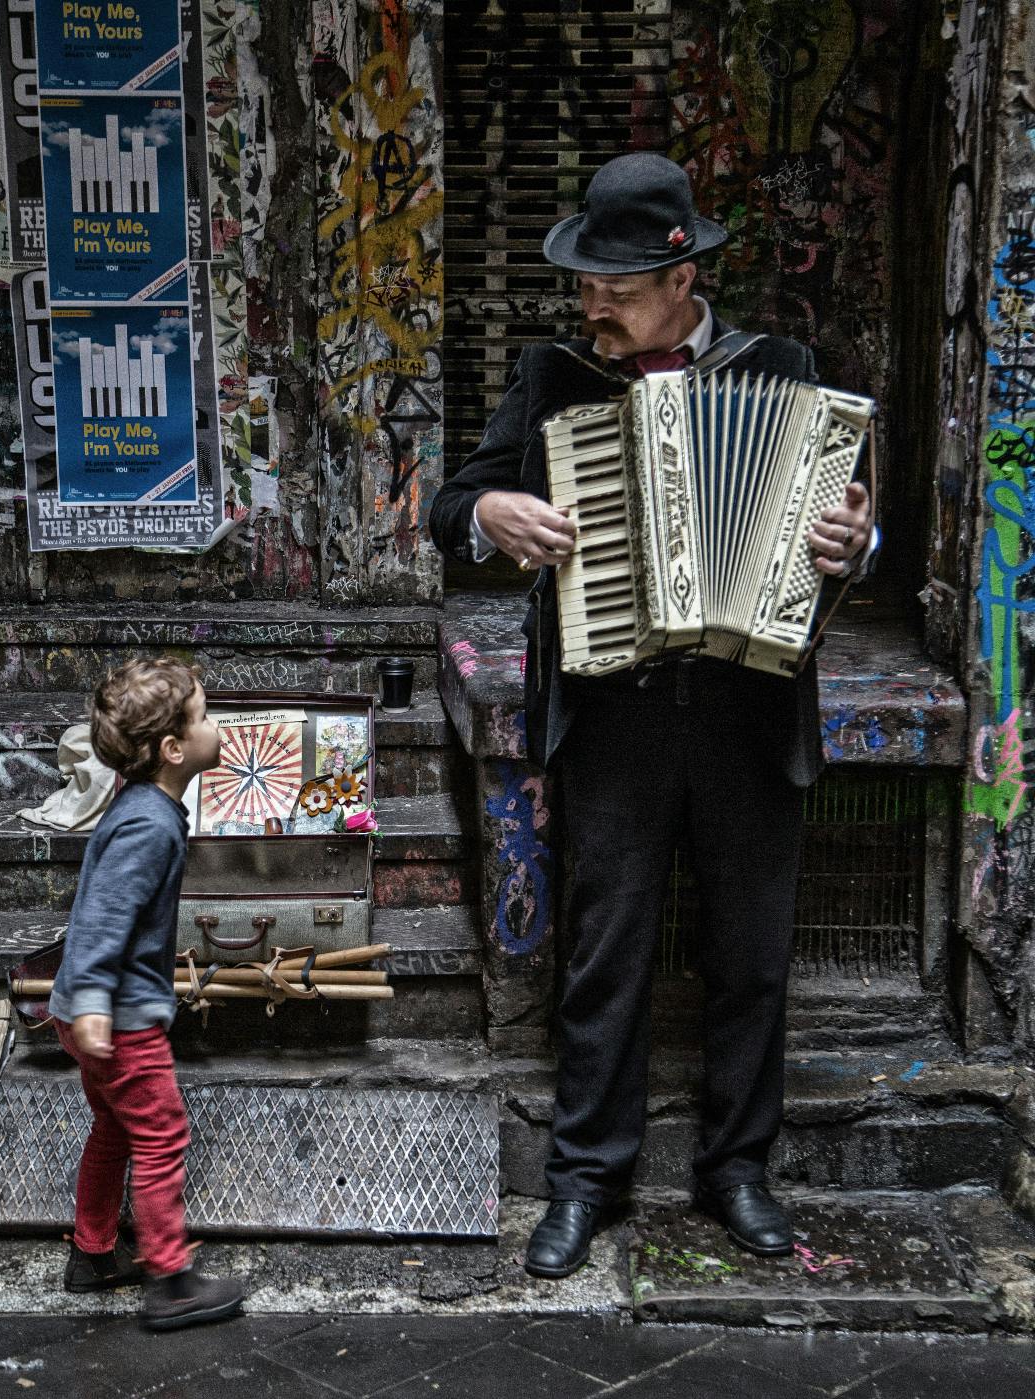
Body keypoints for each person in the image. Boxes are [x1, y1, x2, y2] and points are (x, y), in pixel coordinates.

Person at [429, 153, 874, 1279]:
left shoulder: (783, 370)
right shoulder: (553, 381)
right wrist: (492, 508)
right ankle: (586, 1179)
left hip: (750, 707)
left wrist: (850, 546)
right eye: (585, 287)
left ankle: (737, 1171)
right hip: (612, 712)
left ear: (680, 279)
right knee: (606, 953)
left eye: (613, 291)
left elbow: (854, 538)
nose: (592, 309)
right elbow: (448, 507)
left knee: (750, 956)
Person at [49, 656, 247, 1330]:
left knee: (113, 1126)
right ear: (172, 750)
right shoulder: (148, 824)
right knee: (161, 1133)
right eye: (204, 717)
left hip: (91, 1011)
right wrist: (97, 1000)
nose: (215, 726)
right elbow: (104, 915)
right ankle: (171, 1280)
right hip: (118, 1019)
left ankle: (94, 1251)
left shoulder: (143, 805)